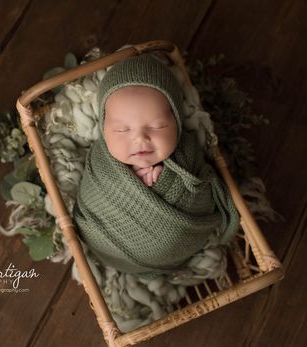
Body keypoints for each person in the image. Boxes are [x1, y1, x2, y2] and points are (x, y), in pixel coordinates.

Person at [72, 54, 240, 279]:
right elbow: (91, 200)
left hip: (182, 246)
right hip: (107, 243)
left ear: (177, 122)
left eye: (157, 126)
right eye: (123, 130)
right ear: (104, 130)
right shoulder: (100, 162)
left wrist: (167, 183)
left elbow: (204, 194)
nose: (140, 139)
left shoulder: (188, 154)